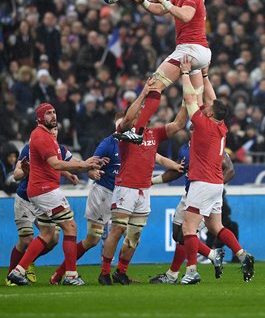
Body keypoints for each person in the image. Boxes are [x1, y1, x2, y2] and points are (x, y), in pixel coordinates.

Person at [50, 112, 183, 285]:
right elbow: (89, 166)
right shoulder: (108, 144)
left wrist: (177, 166)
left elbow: (158, 157)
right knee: (93, 239)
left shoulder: (138, 141)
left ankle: (120, 272)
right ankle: (62, 273)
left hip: (125, 193)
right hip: (104, 193)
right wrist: (93, 172)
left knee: (130, 234)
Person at [7, 103, 108, 286]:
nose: (53, 116)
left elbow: (67, 162)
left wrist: (88, 165)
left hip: (39, 190)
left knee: (47, 234)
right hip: (45, 190)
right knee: (70, 227)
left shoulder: (48, 137)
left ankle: (18, 271)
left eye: (54, 112)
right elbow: (56, 164)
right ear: (39, 117)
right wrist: (85, 165)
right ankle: (71, 276)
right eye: (48, 113)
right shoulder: (41, 137)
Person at [99, 80, 186, 285]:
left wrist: (187, 99)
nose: (139, 116)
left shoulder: (153, 133)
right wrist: (144, 94)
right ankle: (104, 273)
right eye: (137, 114)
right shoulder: (125, 134)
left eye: (141, 114)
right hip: (126, 187)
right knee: (118, 230)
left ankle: (121, 272)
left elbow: (179, 124)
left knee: (135, 233)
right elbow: (128, 117)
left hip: (144, 190)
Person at [179, 56, 254, 284]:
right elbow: (212, 98)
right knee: (215, 225)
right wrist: (204, 75)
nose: (206, 106)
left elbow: (190, 97)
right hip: (216, 184)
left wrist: (184, 72)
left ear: (210, 114)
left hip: (202, 182)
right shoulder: (221, 125)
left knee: (188, 227)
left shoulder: (203, 124)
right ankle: (242, 254)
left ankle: (191, 272)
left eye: (208, 108)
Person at [118, 0, 211, 144]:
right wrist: (143, 2)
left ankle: (137, 132)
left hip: (189, 49)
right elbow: (161, 10)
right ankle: (206, 137)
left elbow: (185, 16)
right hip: (201, 53)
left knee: (154, 86)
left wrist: (165, 1)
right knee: (195, 100)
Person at [150, 125, 235, 284]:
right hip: (189, 195)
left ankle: (174, 274)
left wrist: (214, 185)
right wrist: (152, 181)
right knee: (178, 234)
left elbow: (230, 170)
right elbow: (178, 171)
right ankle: (212, 255)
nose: (190, 131)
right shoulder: (184, 149)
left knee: (186, 233)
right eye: (190, 128)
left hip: (203, 196)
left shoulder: (209, 147)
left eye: (195, 128)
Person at [6, 126, 78, 286]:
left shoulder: (60, 149)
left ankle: (25, 265)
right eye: (51, 130)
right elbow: (16, 174)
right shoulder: (30, 147)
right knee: (26, 240)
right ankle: (12, 275)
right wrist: (25, 171)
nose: (53, 132)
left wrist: (78, 172)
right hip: (25, 199)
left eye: (56, 130)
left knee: (53, 238)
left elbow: (61, 164)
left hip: (43, 199)